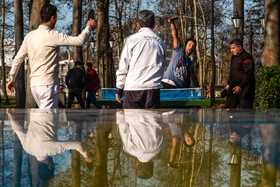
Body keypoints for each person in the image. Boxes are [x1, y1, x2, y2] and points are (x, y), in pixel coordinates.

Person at [6, 4, 97, 109]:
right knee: (47, 120)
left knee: (43, 119)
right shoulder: (53, 35)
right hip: (48, 84)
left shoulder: (29, 37)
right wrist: (89, 27)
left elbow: (17, 59)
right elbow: (79, 40)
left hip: (34, 85)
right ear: (53, 18)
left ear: (41, 18)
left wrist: (12, 78)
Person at [115, 10, 167, 109]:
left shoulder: (131, 40)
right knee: (152, 122)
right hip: (153, 89)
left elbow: (123, 66)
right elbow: (162, 66)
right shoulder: (161, 43)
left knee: (131, 120)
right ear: (154, 25)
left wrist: (119, 87)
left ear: (138, 24)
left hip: (133, 88)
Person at [161, 16, 199, 89]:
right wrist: (172, 23)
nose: (191, 47)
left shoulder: (189, 62)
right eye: (189, 45)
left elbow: (189, 78)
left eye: (193, 46)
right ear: (185, 46)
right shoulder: (179, 50)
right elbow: (175, 36)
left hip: (178, 88)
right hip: (168, 82)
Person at [225, 38, 255, 109]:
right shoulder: (233, 57)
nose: (231, 50)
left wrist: (240, 86)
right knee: (228, 108)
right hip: (233, 88)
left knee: (246, 112)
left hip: (246, 89)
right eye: (231, 48)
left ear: (240, 47)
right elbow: (232, 71)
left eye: (233, 48)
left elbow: (249, 74)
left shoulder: (247, 57)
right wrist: (228, 83)